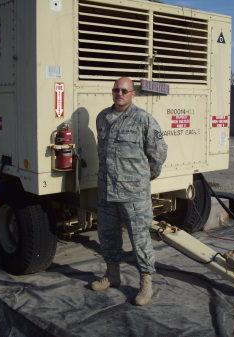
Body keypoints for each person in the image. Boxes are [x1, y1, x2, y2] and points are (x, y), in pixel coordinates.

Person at [92, 77, 168, 306]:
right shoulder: (103, 118)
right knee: (108, 235)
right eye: (116, 89)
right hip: (107, 190)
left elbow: (158, 155)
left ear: (133, 93)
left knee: (140, 239)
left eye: (124, 90)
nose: (119, 93)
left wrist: (142, 179)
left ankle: (146, 284)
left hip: (133, 194)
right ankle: (112, 274)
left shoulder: (143, 119)